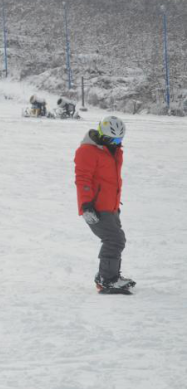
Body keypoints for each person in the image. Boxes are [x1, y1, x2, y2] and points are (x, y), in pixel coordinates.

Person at [75, 116, 135, 294]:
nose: (116, 142)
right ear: (102, 134)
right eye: (113, 139)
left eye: (119, 139)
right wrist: (86, 205)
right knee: (114, 240)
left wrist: (115, 204)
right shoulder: (87, 151)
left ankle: (109, 276)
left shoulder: (114, 150)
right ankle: (107, 279)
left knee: (116, 239)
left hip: (111, 206)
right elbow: (82, 179)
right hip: (95, 207)